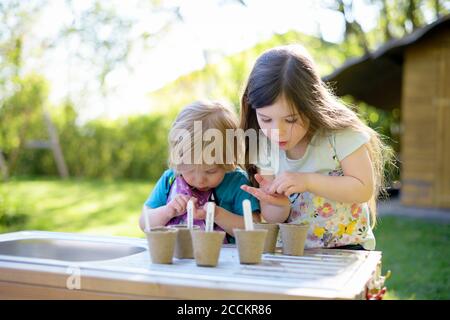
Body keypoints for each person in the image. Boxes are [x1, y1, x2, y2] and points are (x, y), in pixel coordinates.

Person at [239, 45, 394, 250]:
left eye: (291, 119)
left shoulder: (340, 134)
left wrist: (308, 181)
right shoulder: (264, 146)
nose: (278, 132)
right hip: (293, 252)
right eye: (266, 119)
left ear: (311, 104)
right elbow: (273, 216)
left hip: (347, 249)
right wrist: (277, 203)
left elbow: (362, 188)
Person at [139, 101, 260, 243]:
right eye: (190, 170)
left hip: (225, 262)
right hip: (176, 261)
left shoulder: (237, 183)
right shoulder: (170, 179)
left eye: (210, 171)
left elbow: (255, 226)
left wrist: (217, 214)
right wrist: (168, 211)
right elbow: (144, 223)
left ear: (229, 159)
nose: (200, 180)